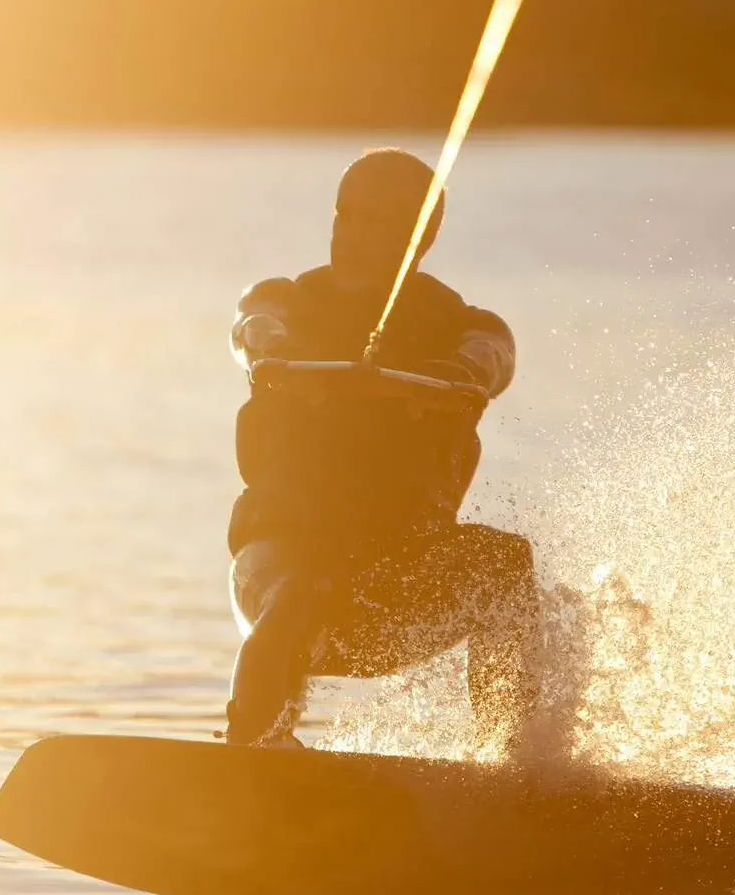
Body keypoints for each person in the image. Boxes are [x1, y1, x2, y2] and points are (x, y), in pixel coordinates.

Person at [223, 147, 544, 755]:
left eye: (379, 222)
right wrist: (276, 355)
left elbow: (493, 352)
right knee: (301, 590)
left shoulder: (462, 323)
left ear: (419, 238)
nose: (354, 234)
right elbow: (251, 323)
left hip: (396, 581)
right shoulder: (286, 302)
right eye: (347, 214)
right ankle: (255, 752)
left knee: (505, 566)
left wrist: (456, 375)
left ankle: (515, 762)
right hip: (279, 561)